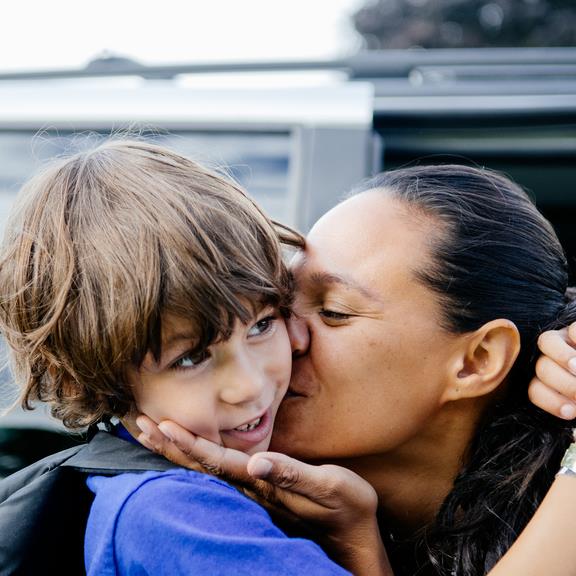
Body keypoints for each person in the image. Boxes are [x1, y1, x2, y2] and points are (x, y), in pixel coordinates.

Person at [135, 164, 576, 576]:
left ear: (477, 361)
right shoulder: (241, 528)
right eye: (274, 311)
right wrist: (360, 546)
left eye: (333, 312)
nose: (284, 342)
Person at [0, 140, 389, 575]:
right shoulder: (177, 516)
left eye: (261, 325)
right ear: (91, 381)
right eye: (191, 358)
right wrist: (359, 541)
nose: (249, 385)